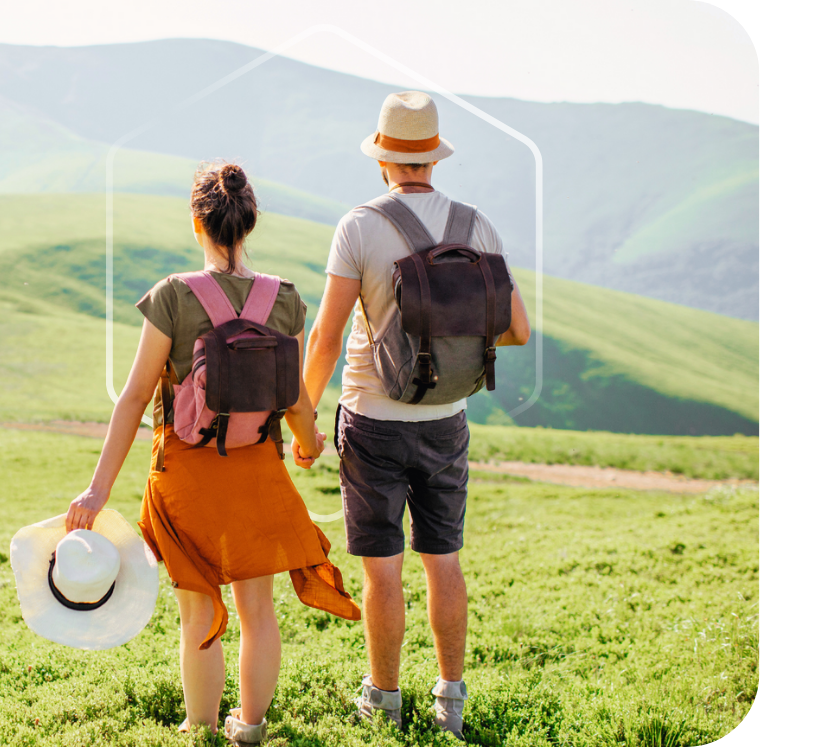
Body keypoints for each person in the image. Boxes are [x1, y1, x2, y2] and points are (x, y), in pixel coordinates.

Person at [66, 161, 361, 745]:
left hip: (186, 476)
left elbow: (132, 399)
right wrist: (307, 446)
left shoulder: (173, 297)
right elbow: (297, 401)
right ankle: (249, 727)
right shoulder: (285, 301)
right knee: (258, 612)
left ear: (196, 221)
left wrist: (97, 491)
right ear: (250, 223)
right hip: (257, 471)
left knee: (198, 614)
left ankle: (197, 726)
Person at [301, 91, 530, 738]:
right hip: (447, 419)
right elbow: (516, 330)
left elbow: (325, 337)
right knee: (444, 560)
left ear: (382, 158)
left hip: (371, 420)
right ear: (433, 157)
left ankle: (384, 699)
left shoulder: (360, 225)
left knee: (383, 568)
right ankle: (451, 700)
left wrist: (306, 417)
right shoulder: (476, 225)